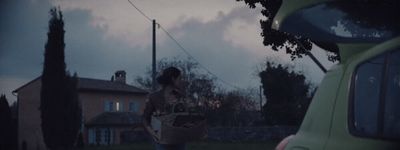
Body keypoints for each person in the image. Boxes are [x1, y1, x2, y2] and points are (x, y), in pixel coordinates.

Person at [143, 67, 186, 150]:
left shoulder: (180, 96)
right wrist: (152, 133)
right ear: (173, 79)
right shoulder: (154, 97)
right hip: (162, 140)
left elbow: (186, 117)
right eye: (179, 78)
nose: (181, 81)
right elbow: (145, 118)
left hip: (179, 140)